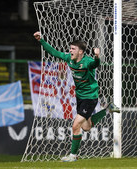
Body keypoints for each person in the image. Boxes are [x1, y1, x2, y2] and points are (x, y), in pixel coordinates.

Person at [33, 32, 120, 162]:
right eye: (70, 48)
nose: (70, 50)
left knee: (75, 126)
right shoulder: (69, 58)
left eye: (73, 49)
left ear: (81, 52)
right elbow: (54, 52)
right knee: (86, 127)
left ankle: (73, 155)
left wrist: (97, 56)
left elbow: (95, 65)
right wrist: (41, 40)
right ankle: (108, 109)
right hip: (80, 97)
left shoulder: (87, 62)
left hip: (90, 97)